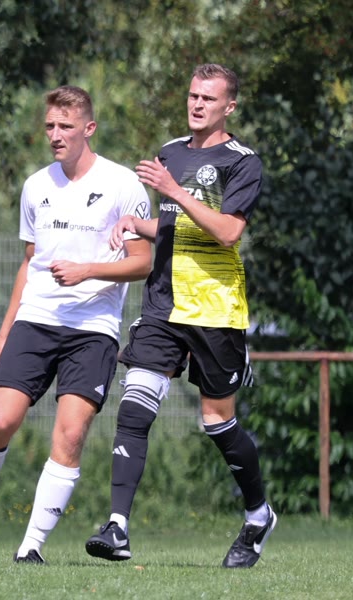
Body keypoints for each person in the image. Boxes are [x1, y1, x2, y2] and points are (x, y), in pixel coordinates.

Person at [0, 85, 152, 567]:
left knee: (71, 434)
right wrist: (5, 331)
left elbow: (144, 261)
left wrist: (88, 271)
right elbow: (29, 263)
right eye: (50, 126)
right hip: (36, 320)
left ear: (88, 128)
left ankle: (30, 547)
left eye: (65, 126)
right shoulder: (36, 186)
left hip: (93, 327)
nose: (55, 135)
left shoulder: (123, 186)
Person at [85, 63, 275, 569]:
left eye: (208, 98)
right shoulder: (171, 152)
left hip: (214, 307)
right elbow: (175, 224)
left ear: (229, 106)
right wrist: (138, 223)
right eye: (193, 95)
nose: (196, 104)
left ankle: (258, 514)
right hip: (163, 304)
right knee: (135, 403)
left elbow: (227, 232)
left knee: (217, 421)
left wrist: (173, 190)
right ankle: (117, 527)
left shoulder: (243, 162)